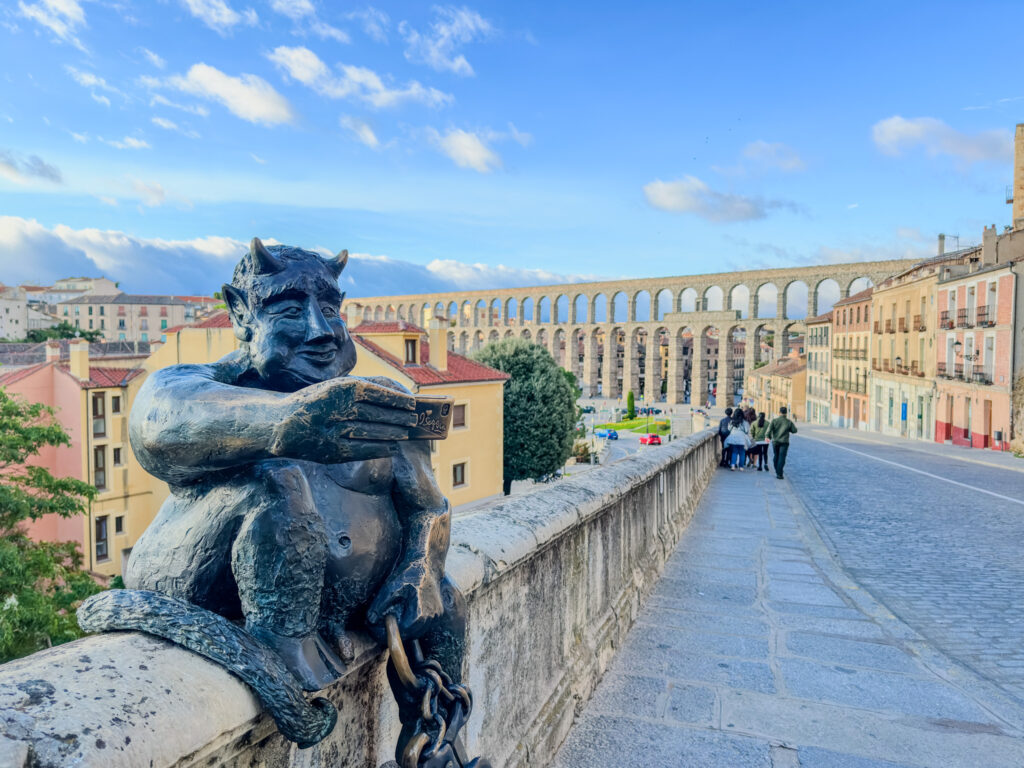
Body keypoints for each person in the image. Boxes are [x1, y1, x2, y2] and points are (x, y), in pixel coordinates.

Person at [766, 405, 798, 479]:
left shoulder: (774, 421)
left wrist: (768, 437)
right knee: (782, 457)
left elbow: (769, 430)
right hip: (784, 442)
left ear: (779, 412)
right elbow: (794, 430)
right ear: (786, 413)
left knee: (776, 455)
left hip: (775, 441)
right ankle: (779, 473)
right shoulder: (788, 422)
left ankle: (777, 469)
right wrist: (788, 429)